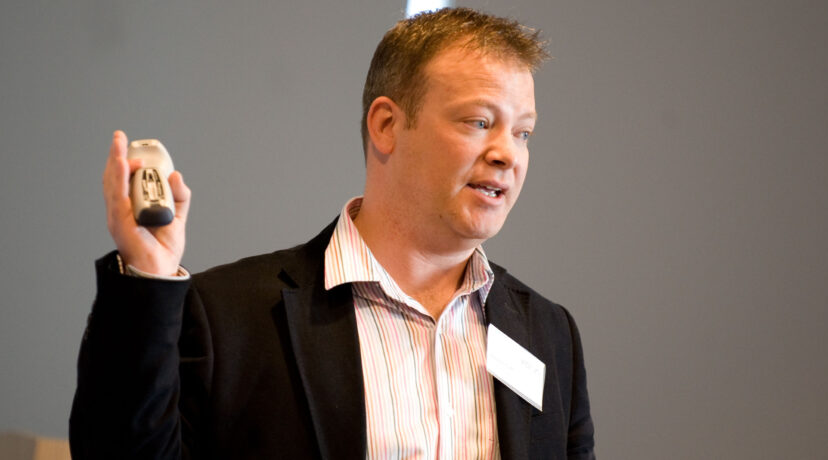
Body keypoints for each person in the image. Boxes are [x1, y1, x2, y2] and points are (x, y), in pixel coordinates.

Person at [70, 7, 595, 459]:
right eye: (479, 122)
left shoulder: (549, 334)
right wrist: (147, 282)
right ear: (387, 126)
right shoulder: (227, 317)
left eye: (523, 132)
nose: (508, 154)